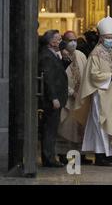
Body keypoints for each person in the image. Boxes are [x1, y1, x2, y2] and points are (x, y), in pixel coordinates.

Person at [78, 17, 112, 166]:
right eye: (107, 37)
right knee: (101, 125)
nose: (110, 40)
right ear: (101, 38)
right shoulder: (95, 54)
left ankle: (111, 155)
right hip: (101, 95)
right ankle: (100, 156)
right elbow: (93, 75)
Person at [56, 31, 92, 165]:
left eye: (75, 40)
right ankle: (63, 155)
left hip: (81, 98)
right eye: (70, 40)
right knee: (65, 128)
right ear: (64, 42)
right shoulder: (60, 56)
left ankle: (80, 156)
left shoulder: (81, 55)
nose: (73, 43)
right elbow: (58, 78)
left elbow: (88, 75)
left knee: (79, 128)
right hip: (67, 98)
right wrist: (71, 92)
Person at [38, 30, 71, 167]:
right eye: (58, 39)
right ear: (51, 41)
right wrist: (53, 98)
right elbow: (49, 79)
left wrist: (64, 58)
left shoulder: (53, 54)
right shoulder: (46, 56)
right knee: (49, 129)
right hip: (52, 100)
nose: (60, 41)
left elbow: (59, 71)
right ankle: (49, 159)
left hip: (56, 97)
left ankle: (50, 157)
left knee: (52, 128)